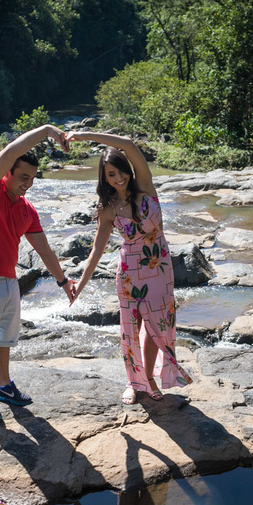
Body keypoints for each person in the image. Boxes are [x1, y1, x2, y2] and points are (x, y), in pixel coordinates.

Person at [64, 130, 191, 404]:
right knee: (132, 328)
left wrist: (84, 135)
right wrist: (79, 286)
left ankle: (149, 379)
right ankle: (134, 382)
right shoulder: (108, 208)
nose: (119, 177)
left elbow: (129, 145)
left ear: (129, 170)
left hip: (159, 269)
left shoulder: (145, 187)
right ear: (105, 178)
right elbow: (97, 250)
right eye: (111, 174)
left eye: (121, 171)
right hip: (130, 274)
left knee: (157, 325)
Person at [0, 124, 77, 424]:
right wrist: (48, 130)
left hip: (9, 280)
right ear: (7, 172)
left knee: (5, 338)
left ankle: (3, 386)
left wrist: (63, 281)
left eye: (33, 179)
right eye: (23, 177)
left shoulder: (27, 210)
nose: (28, 184)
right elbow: (12, 150)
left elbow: (44, 250)